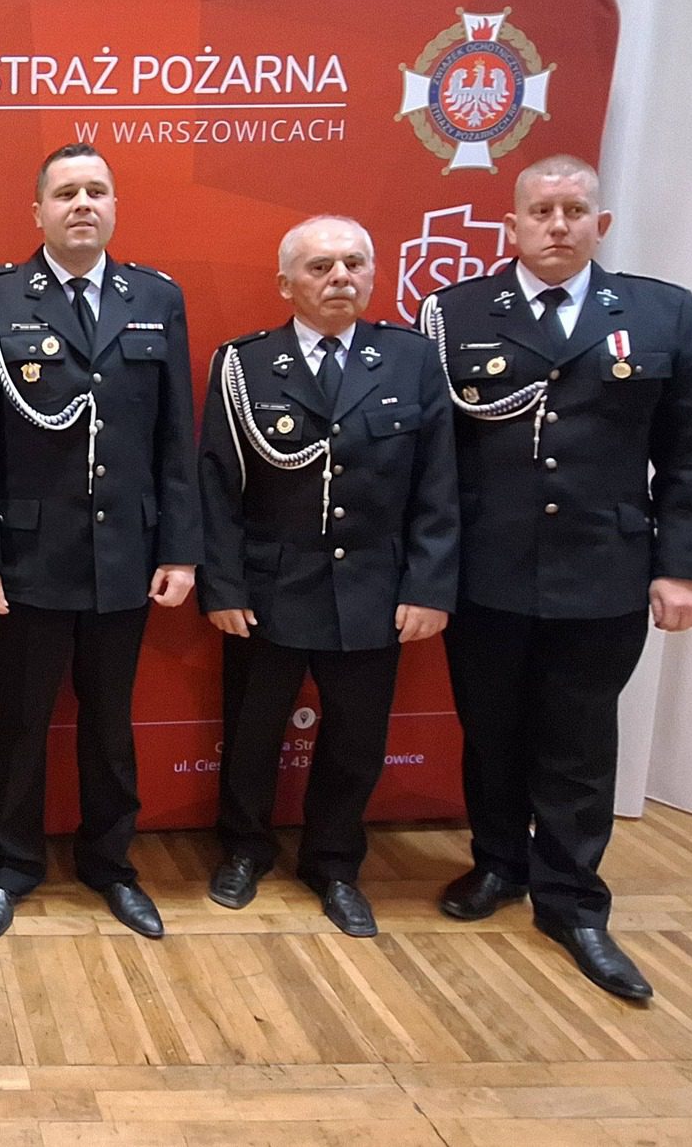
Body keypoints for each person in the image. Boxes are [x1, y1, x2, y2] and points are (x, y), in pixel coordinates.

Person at [421, 154, 692, 1002]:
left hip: (604, 570)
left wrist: (685, 568)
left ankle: (573, 901)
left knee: (580, 742)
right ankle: (498, 864)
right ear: (512, 224)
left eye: (574, 211)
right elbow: (433, 459)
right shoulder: (456, 314)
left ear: (602, 224)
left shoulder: (659, 312)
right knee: (491, 730)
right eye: (542, 211)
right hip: (488, 569)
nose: (558, 225)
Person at [0, 142, 200, 942]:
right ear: (39, 212)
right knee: (20, 725)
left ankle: (110, 864)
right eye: (66, 193)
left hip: (125, 556)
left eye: (96, 191)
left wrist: (180, 549)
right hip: (28, 558)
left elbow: (175, 438)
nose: (82, 204)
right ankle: (8, 868)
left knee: (111, 726)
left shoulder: (156, 297)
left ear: (115, 207)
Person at [197, 215, 458, 937]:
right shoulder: (245, 364)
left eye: (353, 263)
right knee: (252, 732)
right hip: (270, 587)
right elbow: (216, 487)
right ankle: (244, 849)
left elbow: (438, 485)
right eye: (320, 267)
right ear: (286, 284)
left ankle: (335, 864)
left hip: (373, 589)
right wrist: (223, 587)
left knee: (355, 741)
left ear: (372, 274)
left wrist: (428, 586)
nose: (340, 277)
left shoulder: (411, 360)